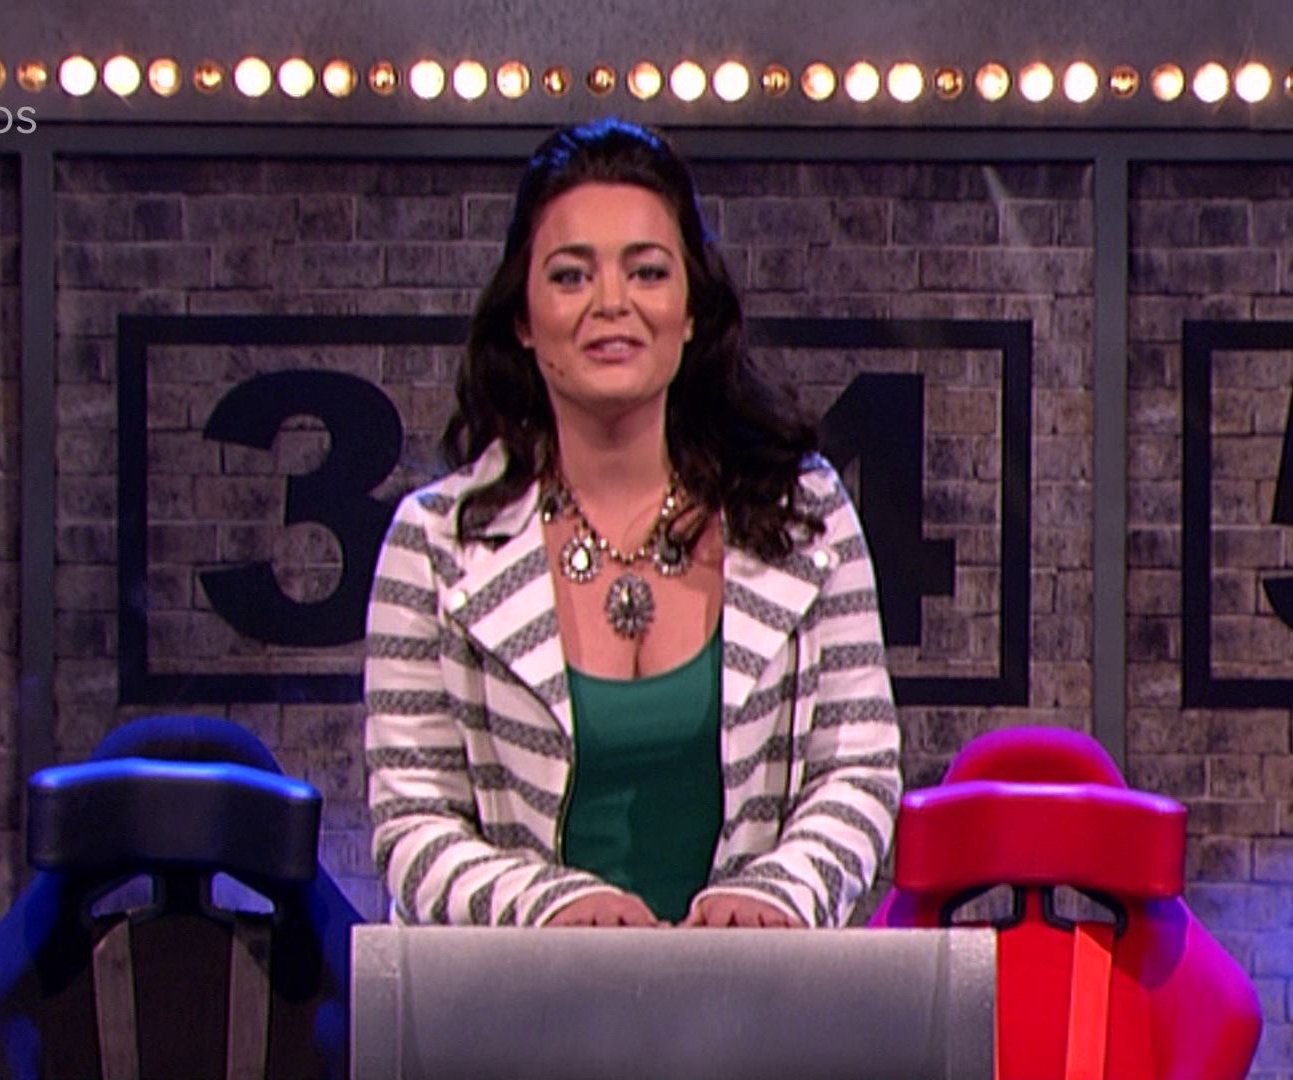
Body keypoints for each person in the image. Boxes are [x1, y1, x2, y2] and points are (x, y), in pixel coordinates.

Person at [364, 118, 900, 929]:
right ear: (522, 317)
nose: (612, 304)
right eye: (571, 276)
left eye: (647, 271)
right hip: (519, 1000)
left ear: (690, 311)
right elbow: (413, 825)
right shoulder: (434, 544)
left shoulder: (805, 517)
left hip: (750, 996)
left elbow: (857, 771)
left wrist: (777, 893)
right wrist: (552, 905)